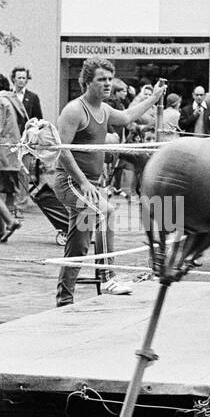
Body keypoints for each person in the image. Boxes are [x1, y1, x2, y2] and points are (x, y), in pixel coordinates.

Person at [53, 57, 163, 306]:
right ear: (87, 82)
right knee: (106, 212)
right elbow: (63, 150)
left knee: (78, 246)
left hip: (89, 184)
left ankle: (64, 299)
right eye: (101, 79)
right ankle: (107, 277)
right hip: (70, 182)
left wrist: (154, 98)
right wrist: (84, 183)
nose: (107, 84)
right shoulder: (74, 110)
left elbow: (125, 117)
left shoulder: (104, 110)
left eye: (109, 79)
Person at [0, 72, 26, 240]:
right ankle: (0, 229)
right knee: (5, 191)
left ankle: (8, 222)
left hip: (0, 152)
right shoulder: (14, 100)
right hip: (13, 152)